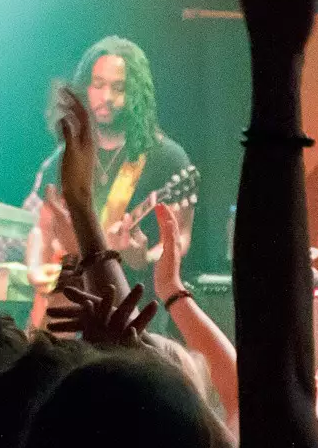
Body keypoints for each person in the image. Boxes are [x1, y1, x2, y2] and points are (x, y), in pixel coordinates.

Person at [25, 37, 198, 281]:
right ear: (85, 87)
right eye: (98, 84)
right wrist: (35, 270)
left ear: (137, 93)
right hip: (72, 302)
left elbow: (180, 239)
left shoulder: (167, 159)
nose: (106, 96)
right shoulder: (67, 156)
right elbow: (41, 228)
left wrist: (143, 258)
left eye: (119, 88)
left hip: (135, 304)